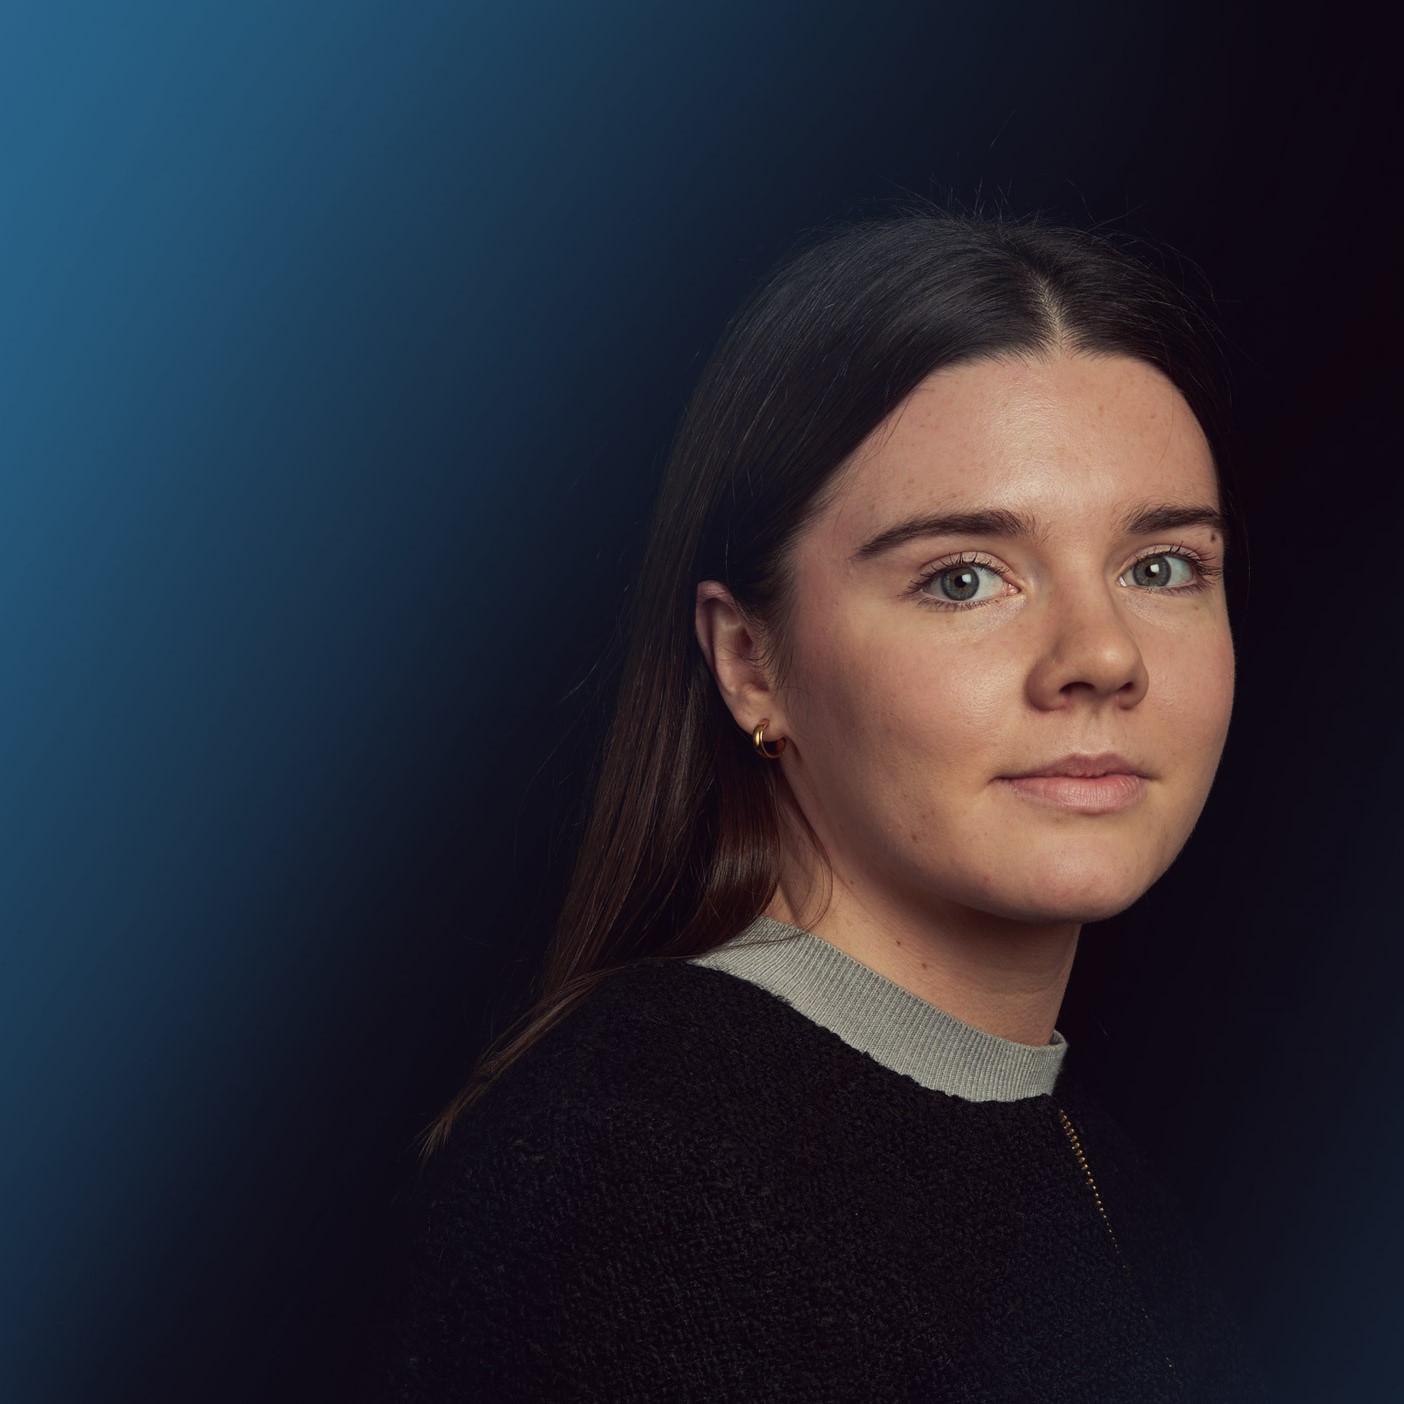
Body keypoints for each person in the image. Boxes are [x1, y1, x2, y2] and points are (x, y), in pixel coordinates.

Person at [368, 204, 1268, 1402]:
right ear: (752, 662)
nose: (1103, 657)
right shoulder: (637, 1170)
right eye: (964, 578)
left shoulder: (1089, 1166)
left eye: (1162, 567)